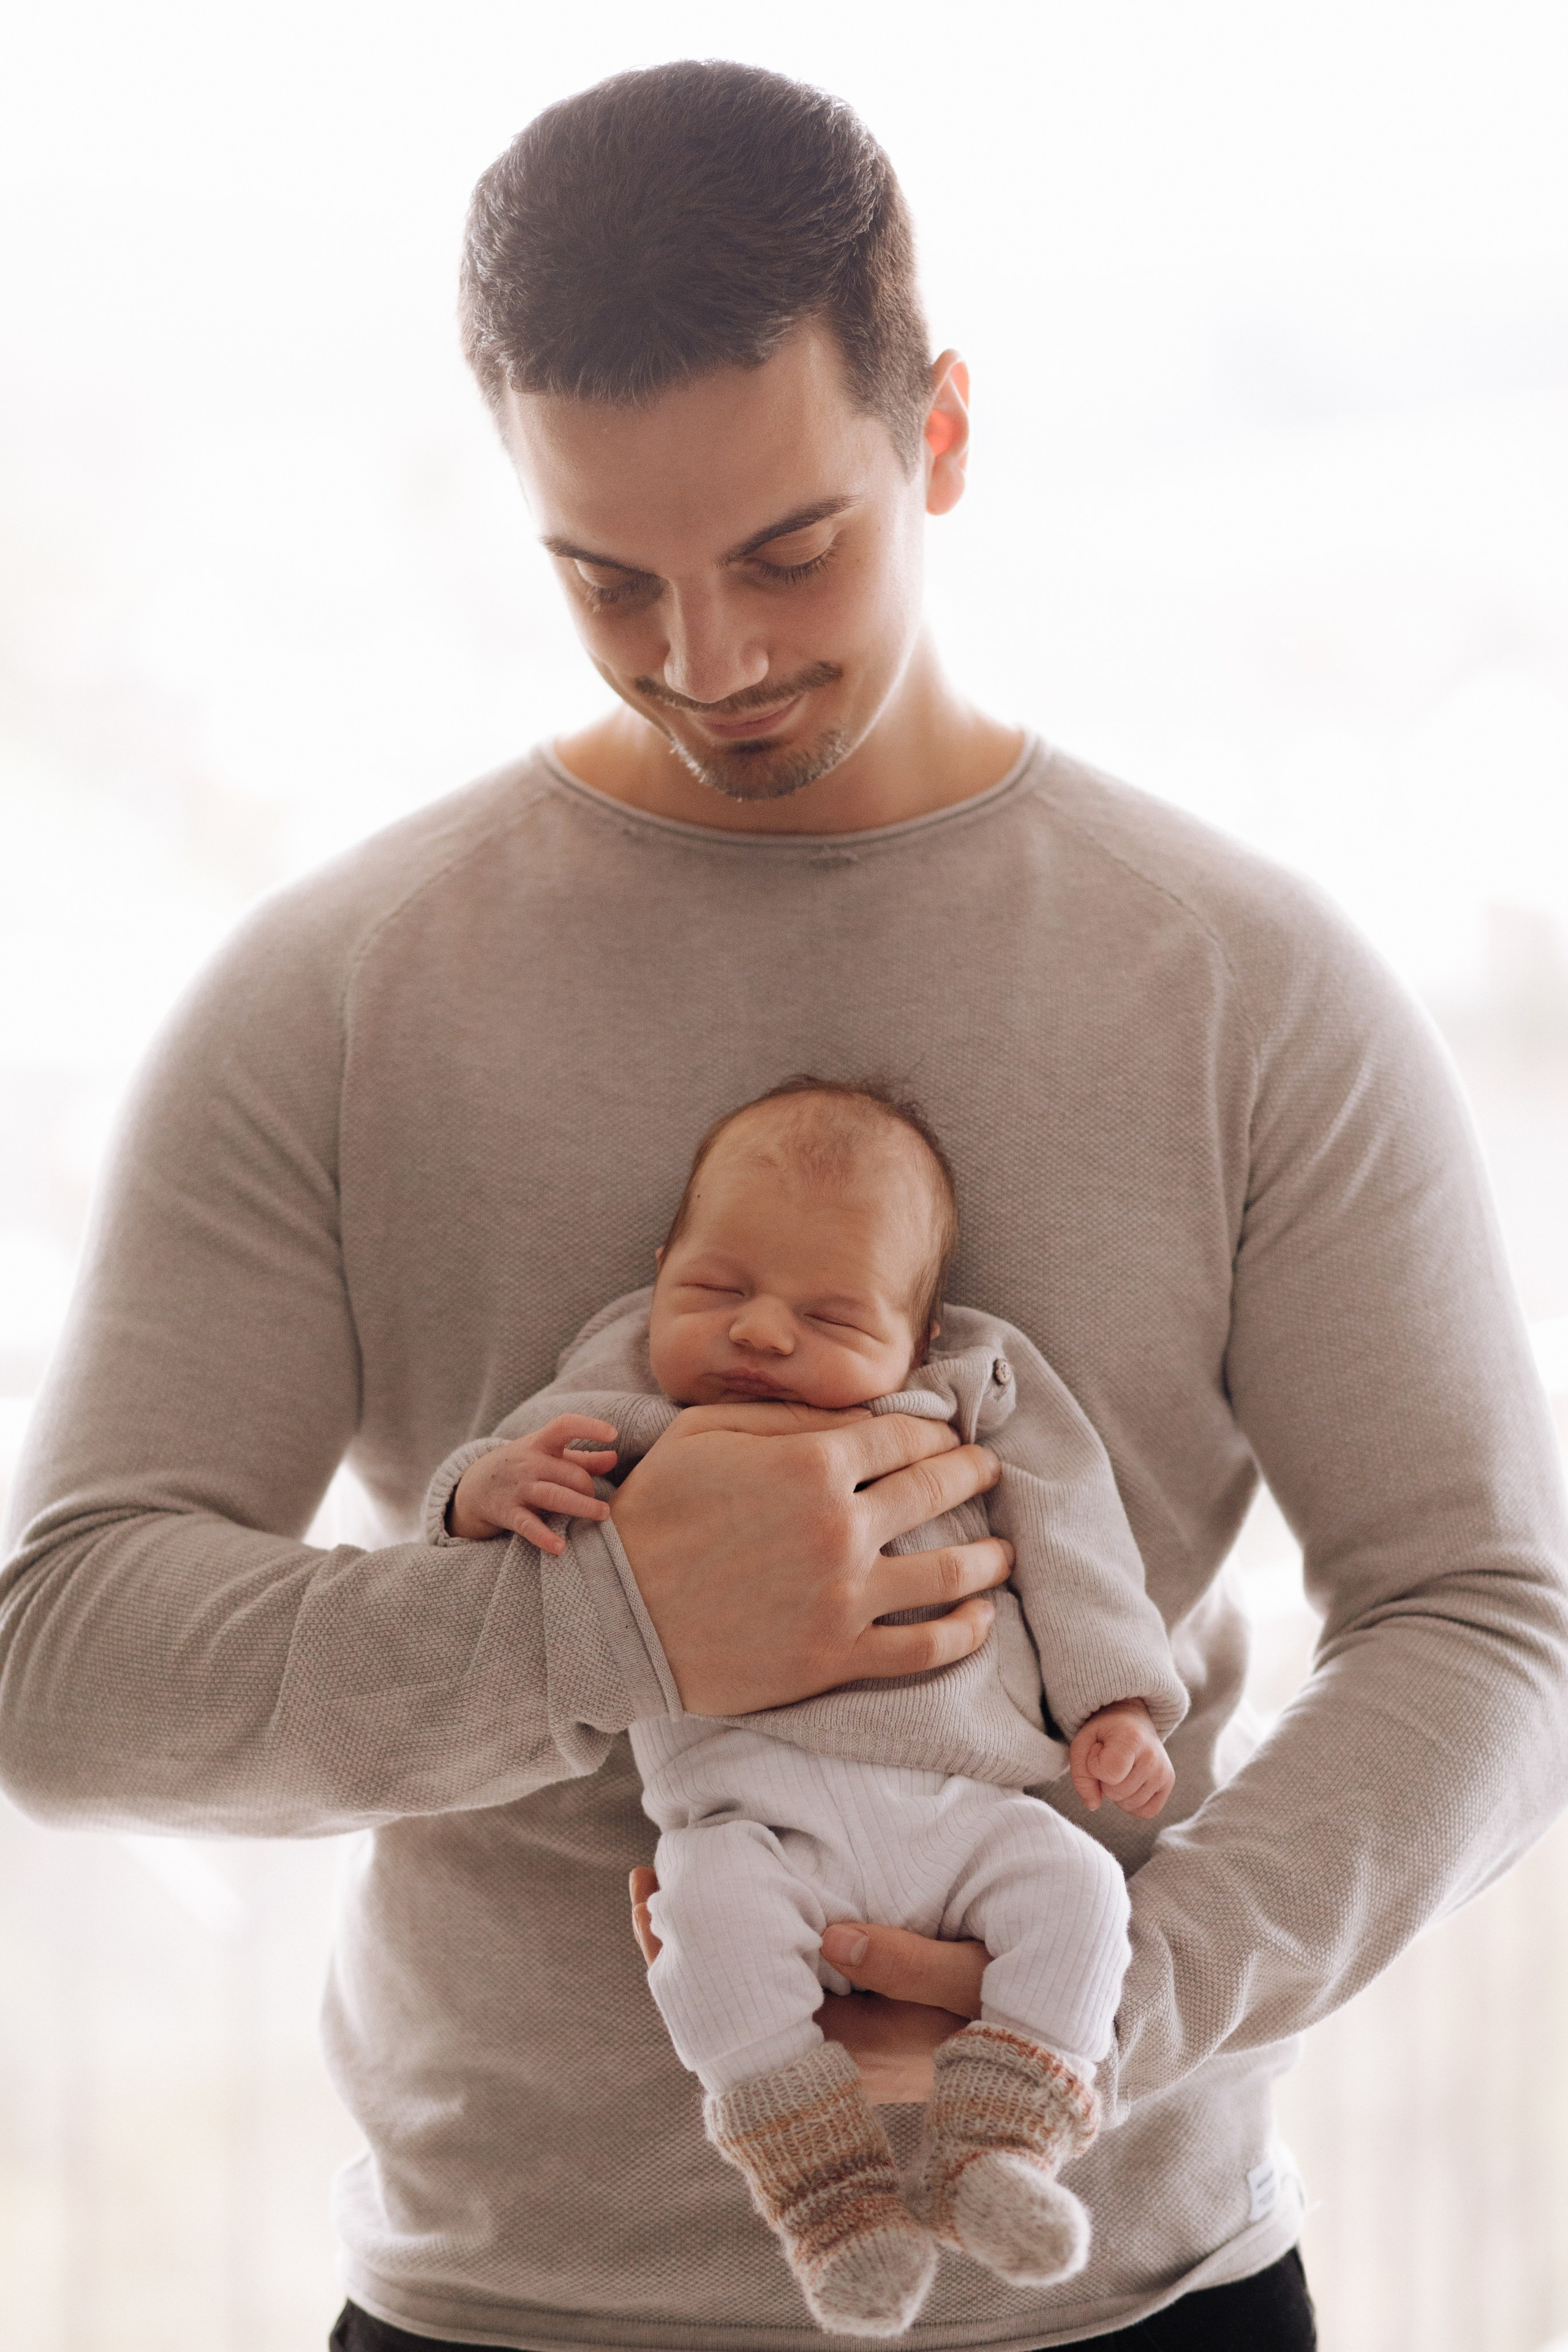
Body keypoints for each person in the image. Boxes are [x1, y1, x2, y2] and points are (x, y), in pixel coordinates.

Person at [1, 53, 1564, 2352]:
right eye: (606, 579)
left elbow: (1488, 1623)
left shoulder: (1247, 985)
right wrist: (601, 1631)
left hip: (1129, 2297)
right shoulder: (334, 995)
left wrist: (1099, 2010)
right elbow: (62, 1667)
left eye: (788, 552)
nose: (707, 662)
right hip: (503, 2311)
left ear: (944, 433)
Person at [427, 1076, 1186, 2335]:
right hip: (751, 1822)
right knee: (701, 1919)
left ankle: (1002, 2148)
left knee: (1080, 1892)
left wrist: (1114, 1698)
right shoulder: (625, 1389)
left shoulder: (968, 1389)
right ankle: (824, 2195)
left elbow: (1071, 1536)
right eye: (712, 1291)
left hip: (959, 1805)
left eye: (830, 1314)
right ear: (658, 1277)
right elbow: (502, 1494)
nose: (760, 1334)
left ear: (921, 1333)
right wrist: (479, 1490)